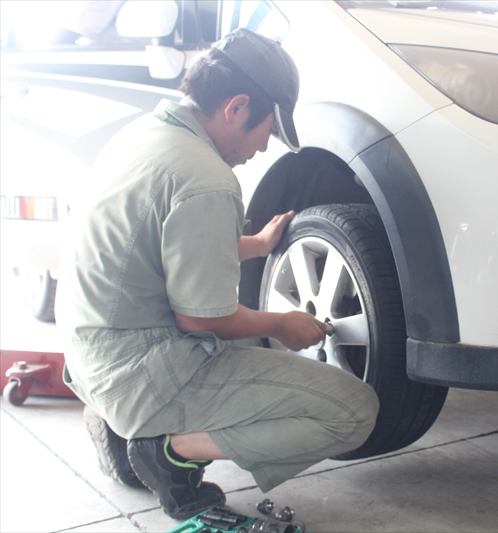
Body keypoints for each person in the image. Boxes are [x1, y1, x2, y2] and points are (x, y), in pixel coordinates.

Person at [55, 28, 379, 520]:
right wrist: (280, 324)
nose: (264, 148)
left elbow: (168, 242)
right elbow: (199, 318)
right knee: (356, 411)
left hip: (90, 352)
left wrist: (255, 246)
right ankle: (168, 449)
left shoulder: (147, 134)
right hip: (142, 369)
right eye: (267, 131)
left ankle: (117, 418)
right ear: (236, 107)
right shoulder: (207, 179)